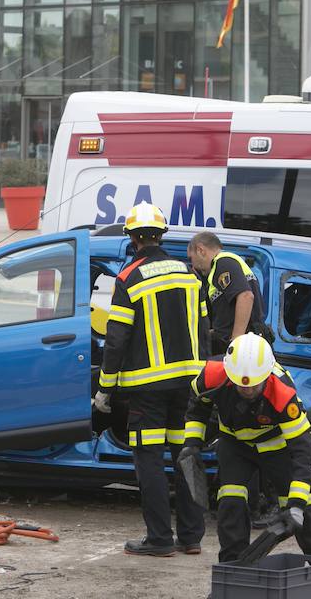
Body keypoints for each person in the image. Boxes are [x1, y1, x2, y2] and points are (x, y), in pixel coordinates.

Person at [93, 202, 208, 557]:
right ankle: (191, 538)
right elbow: (204, 329)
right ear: (160, 235)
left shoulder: (128, 279)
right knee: (187, 455)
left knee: (149, 460)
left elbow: (116, 340)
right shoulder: (190, 275)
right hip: (189, 386)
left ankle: (159, 538)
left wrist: (105, 389)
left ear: (132, 239)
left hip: (148, 391)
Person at [182, 332, 311, 563]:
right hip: (235, 445)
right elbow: (197, 406)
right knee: (231, 502)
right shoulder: (213, 374)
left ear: (266, 375)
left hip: (278, 448)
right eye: (242, 386)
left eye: (254, 386)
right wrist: (191, 444)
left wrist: (296, 505)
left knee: (308, 509)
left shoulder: (283, 395)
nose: (247, 390)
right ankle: (233, 572)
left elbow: (303, 452)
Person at [187, 231, 267, 354]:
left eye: (191, 258)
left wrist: (235, 343)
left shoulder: (223, 262)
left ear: (200, 250)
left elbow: (245, 296)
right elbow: (226, 321)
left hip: (244, 349)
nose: (192, 265)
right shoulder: (217, 270)